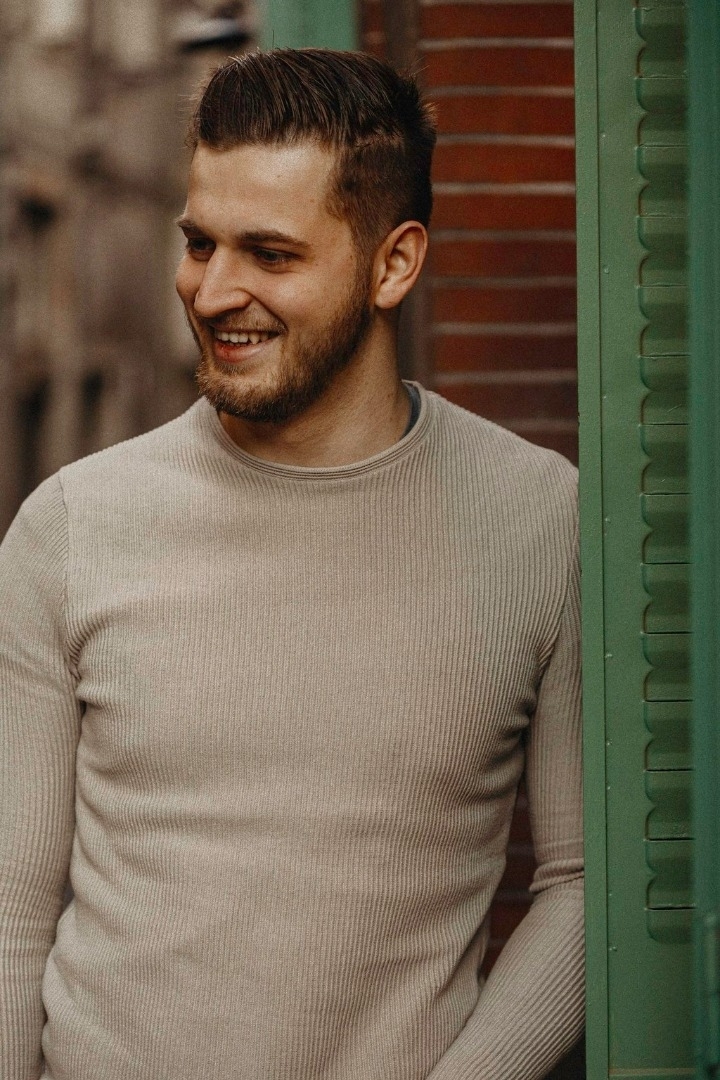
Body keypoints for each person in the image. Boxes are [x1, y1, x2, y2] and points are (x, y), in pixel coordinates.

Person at [0, 49, 583, 1080]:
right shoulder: (72, 527)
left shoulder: (541, 522)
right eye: (199, 243)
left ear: (394, 265)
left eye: (270, 255)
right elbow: (10, 909)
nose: (212, 291)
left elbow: (587, 884)